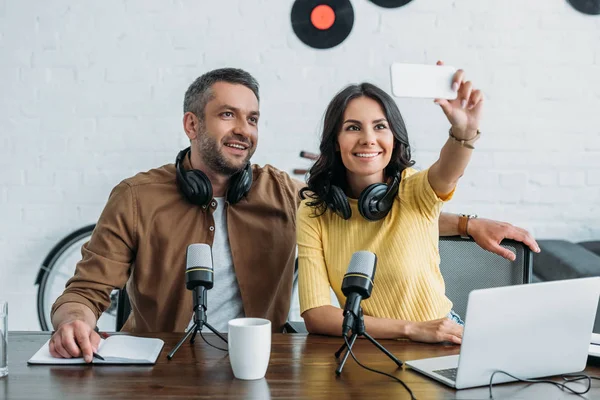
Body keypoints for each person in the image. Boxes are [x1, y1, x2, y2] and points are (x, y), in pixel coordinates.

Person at [49, 67, 538, 363]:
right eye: (227, 115)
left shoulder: (284, 192)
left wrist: (466, 222)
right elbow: (86, 290)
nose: (244, 129)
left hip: (267, 362)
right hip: (166, 362)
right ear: (191, 124)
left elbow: (371, 212)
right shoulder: (136, 197)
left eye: (253, 118)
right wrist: (74, 320)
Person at [297, 64, 514, 345]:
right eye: (352, 128)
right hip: (369, 346)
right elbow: (316, 315)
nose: (368, 139)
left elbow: (449, 170)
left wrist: (464, 131)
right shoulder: (315, 210)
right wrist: (410, 329)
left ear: (394, 139)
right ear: (336, 142)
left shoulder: (414, 190)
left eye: (380, 127)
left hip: (443, 340)